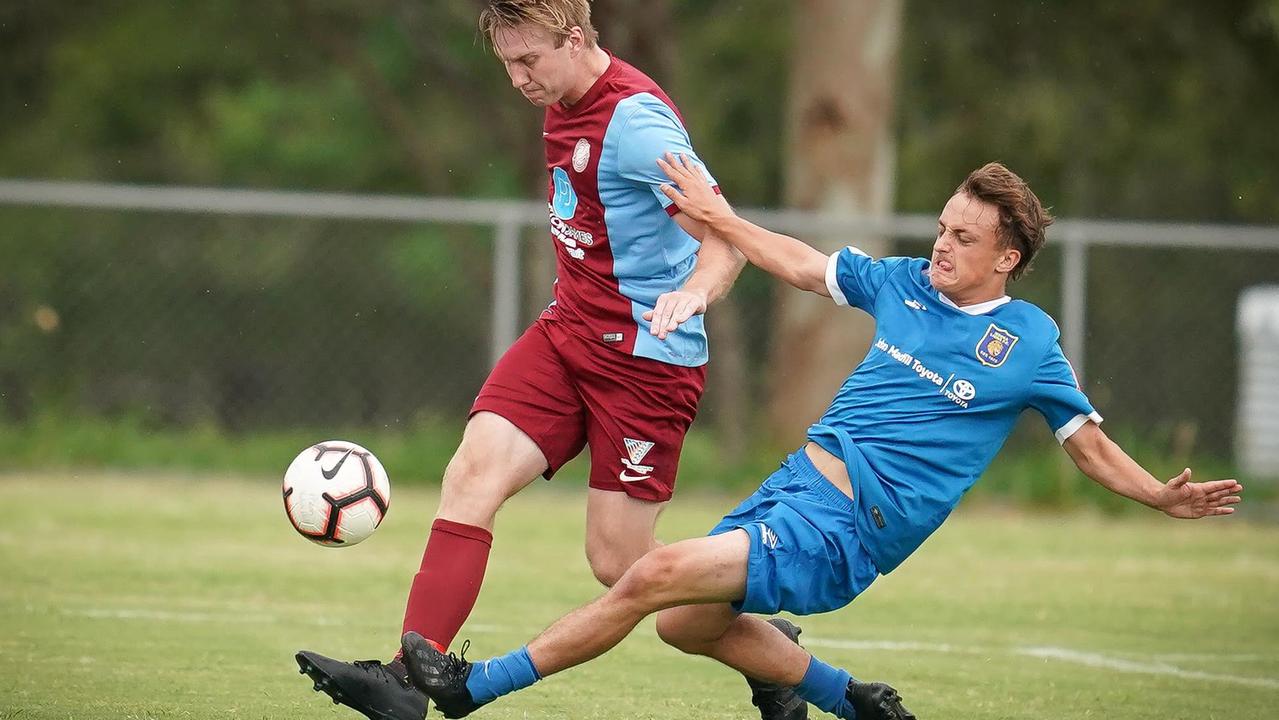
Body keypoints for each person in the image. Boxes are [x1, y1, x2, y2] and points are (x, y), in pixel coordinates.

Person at [397, 156, 1244, 720]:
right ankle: (850, 700)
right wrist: (718, 223)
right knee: (681, 625)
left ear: (1008, 258)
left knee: (652, 572)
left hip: (847, 531)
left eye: (963, 238)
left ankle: (476, 687)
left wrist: (1158, 495)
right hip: (790, 491)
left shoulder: (1025, 342)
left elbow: (1085, 442)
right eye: (943, 227)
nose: (941, 246)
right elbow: (802, 263)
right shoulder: (905, 284)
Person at [293, 2, 800, 719]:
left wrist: (693, 293)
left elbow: (723, 238)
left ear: (574, 38)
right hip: (567, 335)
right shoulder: (560, 94)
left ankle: (770, 656)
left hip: (645, 362)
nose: (517, 79)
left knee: (621, 566)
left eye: (528, 61)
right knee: (471, 472)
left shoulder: (636, 123)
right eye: (506, 63)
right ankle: (406, 684)